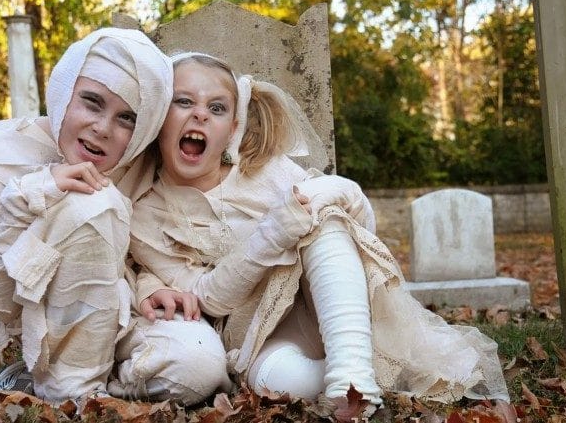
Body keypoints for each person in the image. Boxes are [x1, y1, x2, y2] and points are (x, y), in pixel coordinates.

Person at [121, 52, 509, 418]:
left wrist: (342, 192)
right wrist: (271, 235)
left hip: (325, 302)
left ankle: (352, 378)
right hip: (255, 335)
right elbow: (207, 298)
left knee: (323, 221)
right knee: (277, 380)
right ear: (158, 116)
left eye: (217, 108)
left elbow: (359, 227)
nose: (200, 115)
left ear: (233, 129)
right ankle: (360, 367)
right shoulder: (147, 211)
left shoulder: (265, 172)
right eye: (184, 102)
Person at [0, 27, 176, 405]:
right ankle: (72, 393)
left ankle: (86, 382)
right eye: (91, 102)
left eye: (127, 119)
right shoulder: (0, 153)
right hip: (37, 327)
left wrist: (148, 288)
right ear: (63, 92)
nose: (103, 129)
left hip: (121, 317)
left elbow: (141, 258)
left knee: (197, 369)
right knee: (92, 202)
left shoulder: (139, 167)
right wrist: (32, 194)